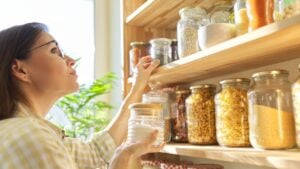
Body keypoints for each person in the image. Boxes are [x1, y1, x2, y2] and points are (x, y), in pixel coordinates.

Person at [0, 22, 163, 169]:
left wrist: (138, 85)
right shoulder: (31, 137)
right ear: (21, 70)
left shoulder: (27, 131)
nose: (71, 60)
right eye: (54, 51)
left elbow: (97, 152)